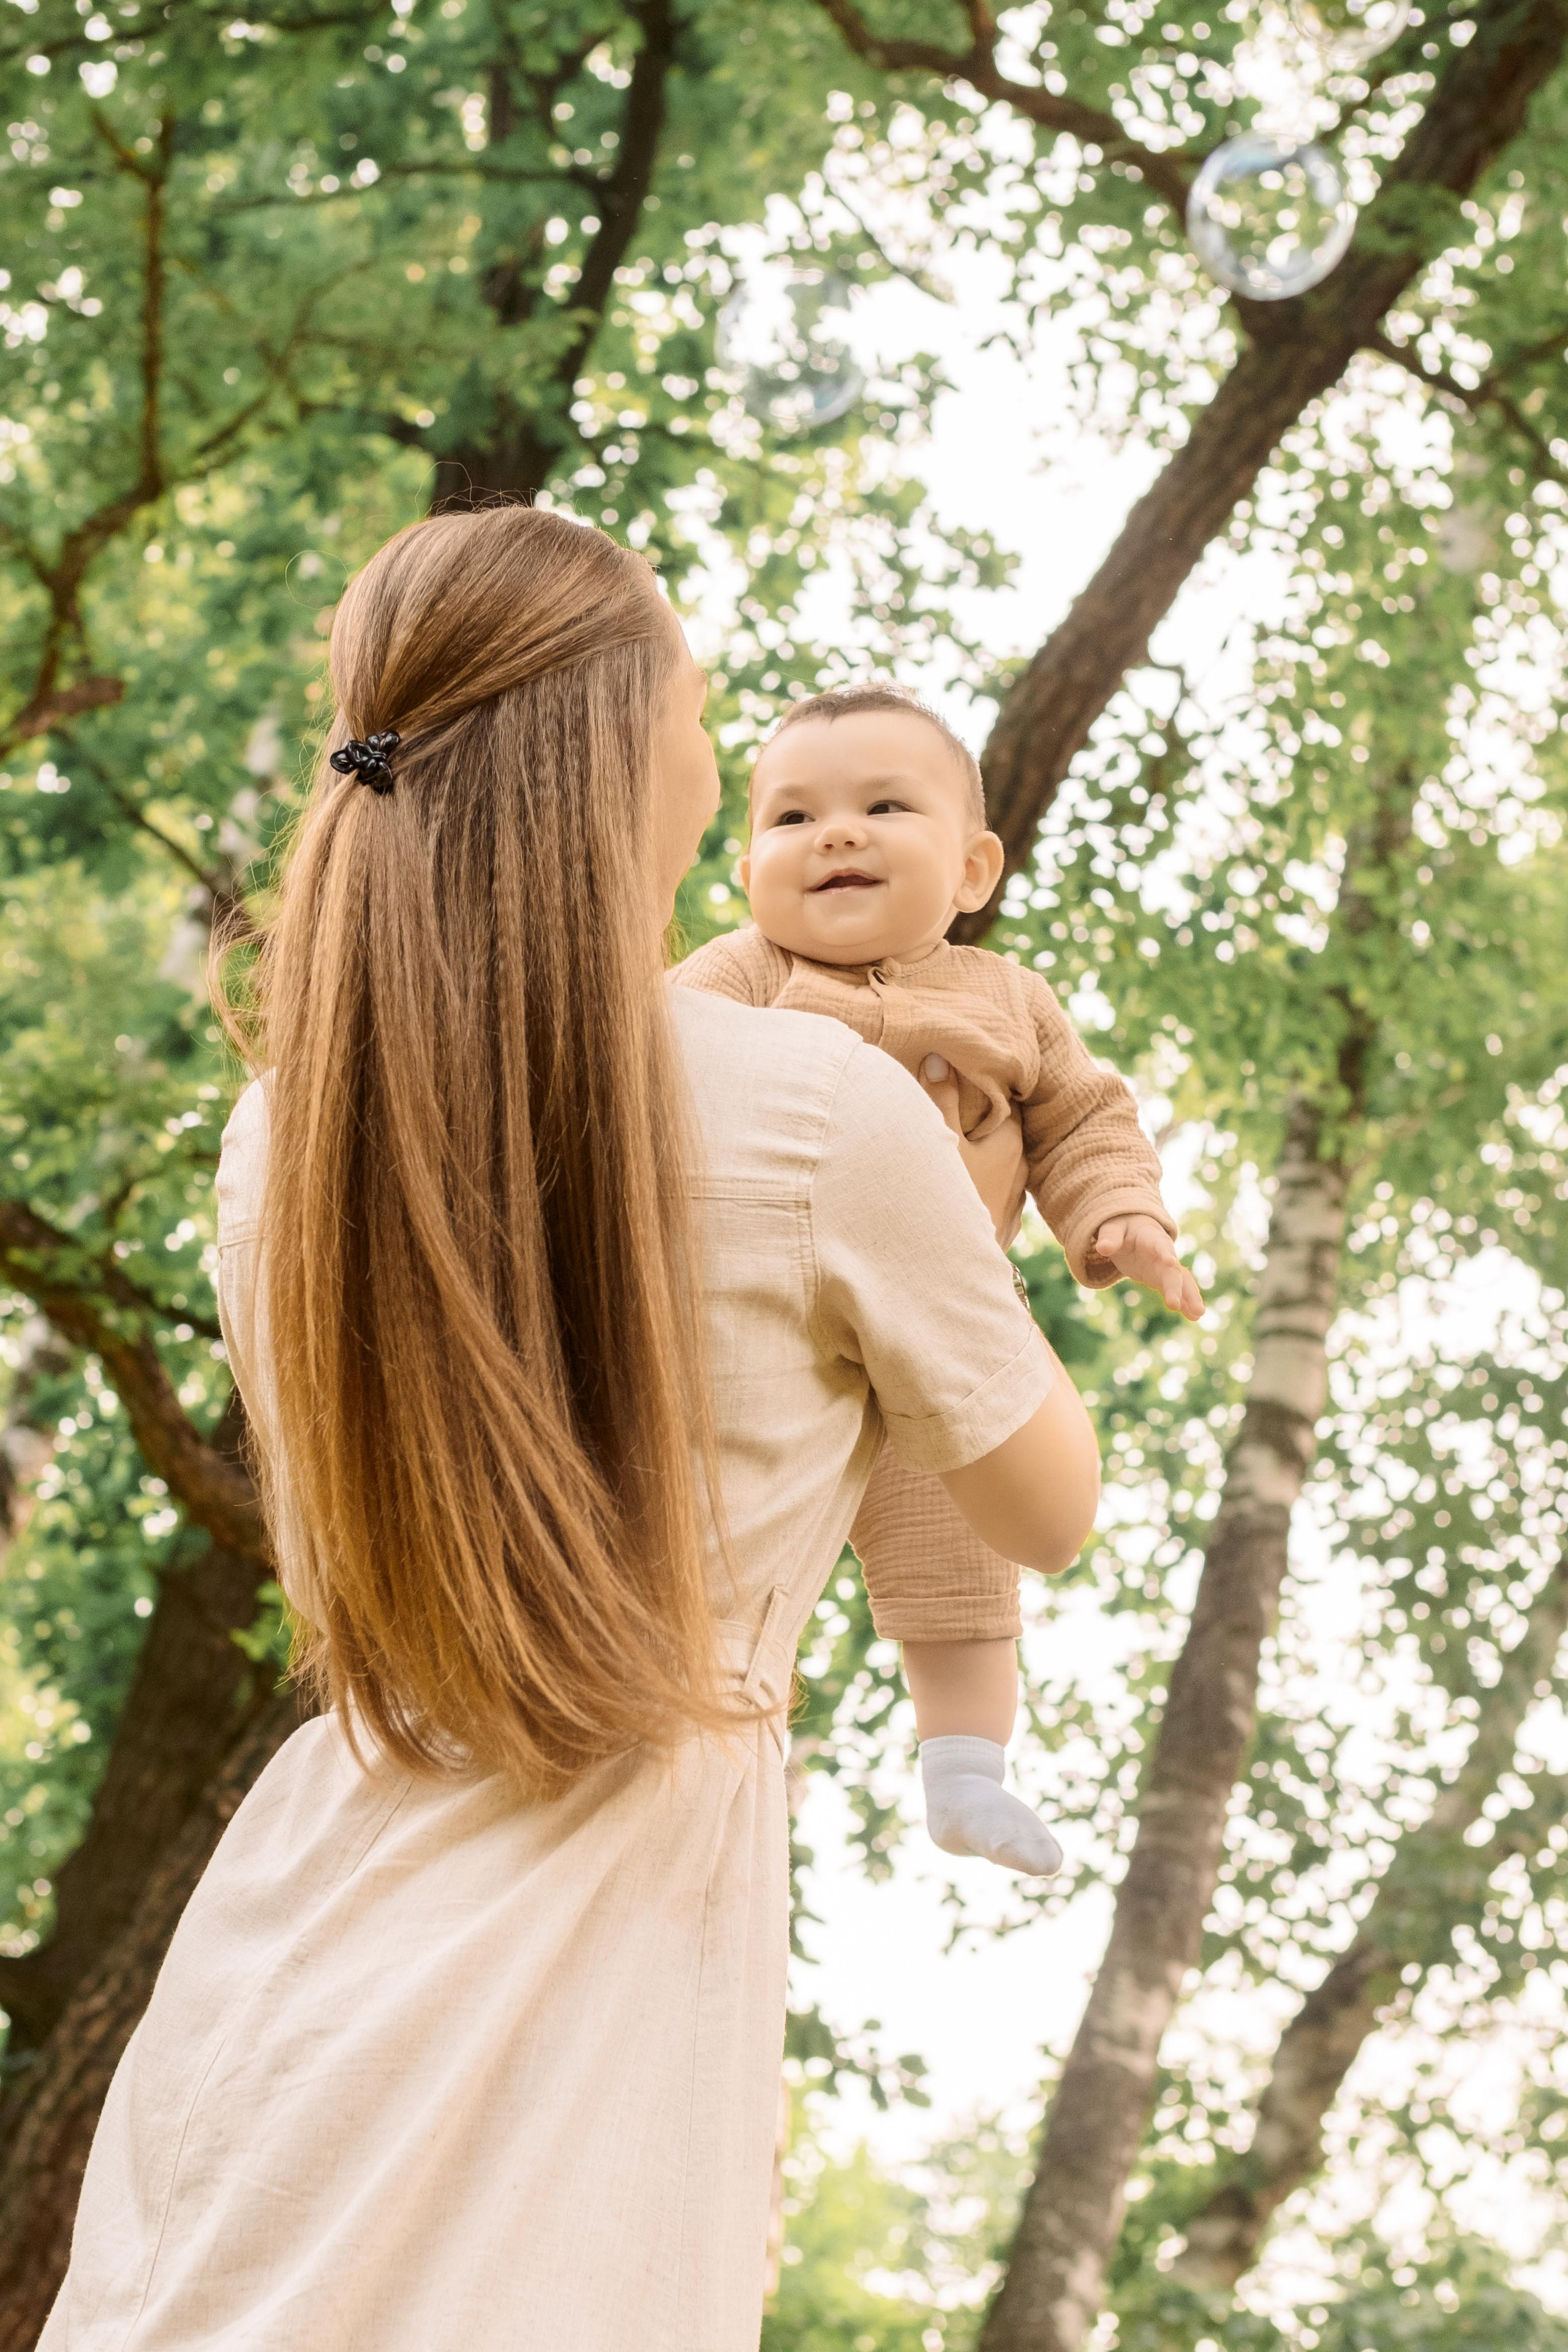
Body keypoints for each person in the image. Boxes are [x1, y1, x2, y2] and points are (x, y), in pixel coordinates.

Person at [39, 507, 1099, 2352]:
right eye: (703, 704)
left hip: (303, 1930)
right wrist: (974, 1227)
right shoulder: (819, 1108)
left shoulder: (277, 1137)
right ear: (636, 755)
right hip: (600, 1958)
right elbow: (1045, 1501)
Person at [675, 682, 1202, 1878]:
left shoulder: (1008, 1001)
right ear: (747, 864)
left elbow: (1081, 1122)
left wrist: (1123, 1217)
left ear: (970, 871)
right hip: (759, 1316)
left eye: (879, 806)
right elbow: (650, 1071)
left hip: (933, 1322)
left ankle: (962, 1772)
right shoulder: (743, 973)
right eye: (791, 817)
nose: (835, 834)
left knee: (958, 1553)